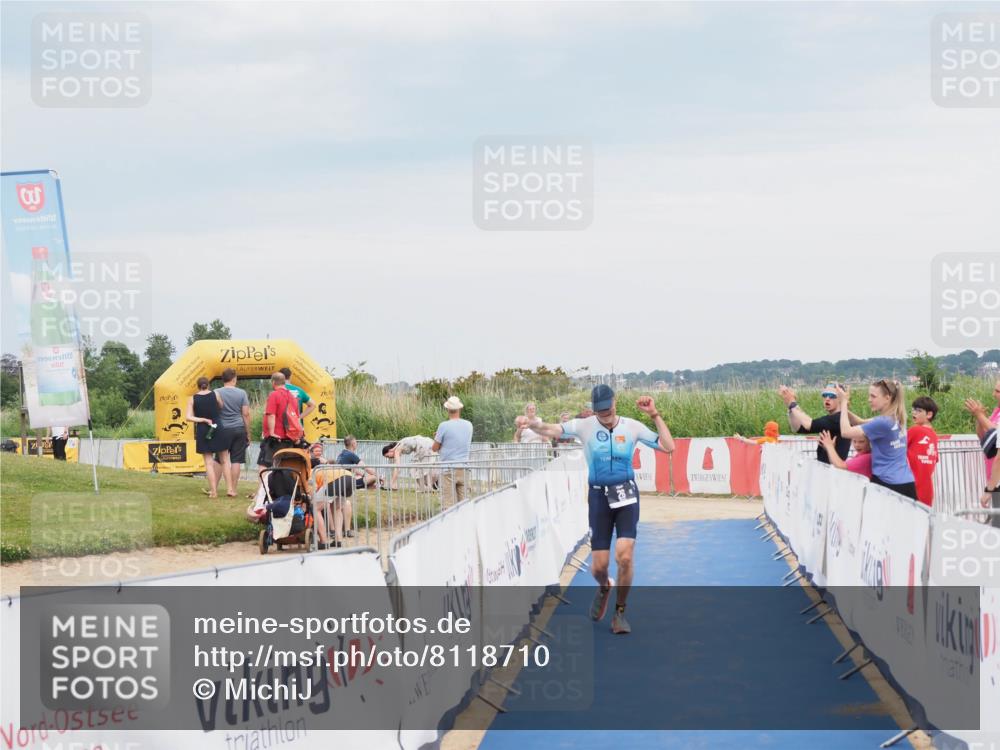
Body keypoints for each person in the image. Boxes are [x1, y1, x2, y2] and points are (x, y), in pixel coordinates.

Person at [515, 385, 675, 635]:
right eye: (600, 412)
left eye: (608, 410)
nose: (605, 415)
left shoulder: (632, 427)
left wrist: (654, 415)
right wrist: (533, 424)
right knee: (598, 568)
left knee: (624, 556)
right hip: (599, 497)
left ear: (615, 403)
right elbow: (551, 429)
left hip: (626, 495)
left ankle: (619, 613)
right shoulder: (584, 426)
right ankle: (604, 587)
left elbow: (668, 446)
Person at [835, 381, 917, 500]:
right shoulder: (896, 418)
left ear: (887, 398)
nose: (869, 400)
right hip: (906, 482)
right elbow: (860, 422)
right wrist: (843, 408)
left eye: (873, 396)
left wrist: (843, 403)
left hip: (888, 484)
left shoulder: (882, 422)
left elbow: (845, 432)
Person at [780, 383, 857, 464]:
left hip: (833, 469)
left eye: (832, 396)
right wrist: (790, 408)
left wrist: (792, 403)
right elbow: (798, 428)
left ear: (841, 399)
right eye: (825, 395)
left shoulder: (838, 419)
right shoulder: (835, 419)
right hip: (826, 467)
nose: (827, 398)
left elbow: (809, 424)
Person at [214, 367, 250, 498]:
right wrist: (248, 433)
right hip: (239, 428)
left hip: (222, 429)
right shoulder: (242, 393)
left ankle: (214, 487)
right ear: (234, 379)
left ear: (223, 379)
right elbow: (245, 414)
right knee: (236, 460)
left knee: (219, 459)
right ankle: (233, 489)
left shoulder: (216, 392)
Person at [187, 376, 224, 497]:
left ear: (198, 386)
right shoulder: (216, 394)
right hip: (217, 427)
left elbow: (188, 417)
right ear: (208, 385)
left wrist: (202, 419)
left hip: (203, 429)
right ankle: (231, 489)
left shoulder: (192, 398)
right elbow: (221, 406)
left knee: (208, 462)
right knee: (224, 459)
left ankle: (213, 491)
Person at [434, 396, 474, 504]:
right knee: (464, 503)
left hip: (448, 468)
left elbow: (435, 448)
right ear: (459, 408)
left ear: (447, 409)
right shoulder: (469, 425)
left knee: (448, 503)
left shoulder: (443, 426)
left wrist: (438, 438)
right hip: (464, 467)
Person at [259, 372, 301, 469]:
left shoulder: (274, 395)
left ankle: (264, 480)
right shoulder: (292, 397)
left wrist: (271, 432)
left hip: (275, 438)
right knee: (284, 466)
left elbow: (271, 415)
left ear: (273, 382)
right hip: (289, 438)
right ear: (284, 382)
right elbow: (296, 418)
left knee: (264, 464)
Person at [965, 379, 1000, 484]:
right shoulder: (997, 411)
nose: (993, 394)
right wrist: (980, 419)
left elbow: (997, 433)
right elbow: (984, 436)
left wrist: (980, 415)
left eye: (997, 391)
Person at [907, 396, 940, 508]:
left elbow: (897, 447)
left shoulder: (915, 430)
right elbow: (934, 459)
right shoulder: (934, 435)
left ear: (929, 414)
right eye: (913, 409)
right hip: (927, 490)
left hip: (912, 487)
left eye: (918, 410)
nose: (914, 413)